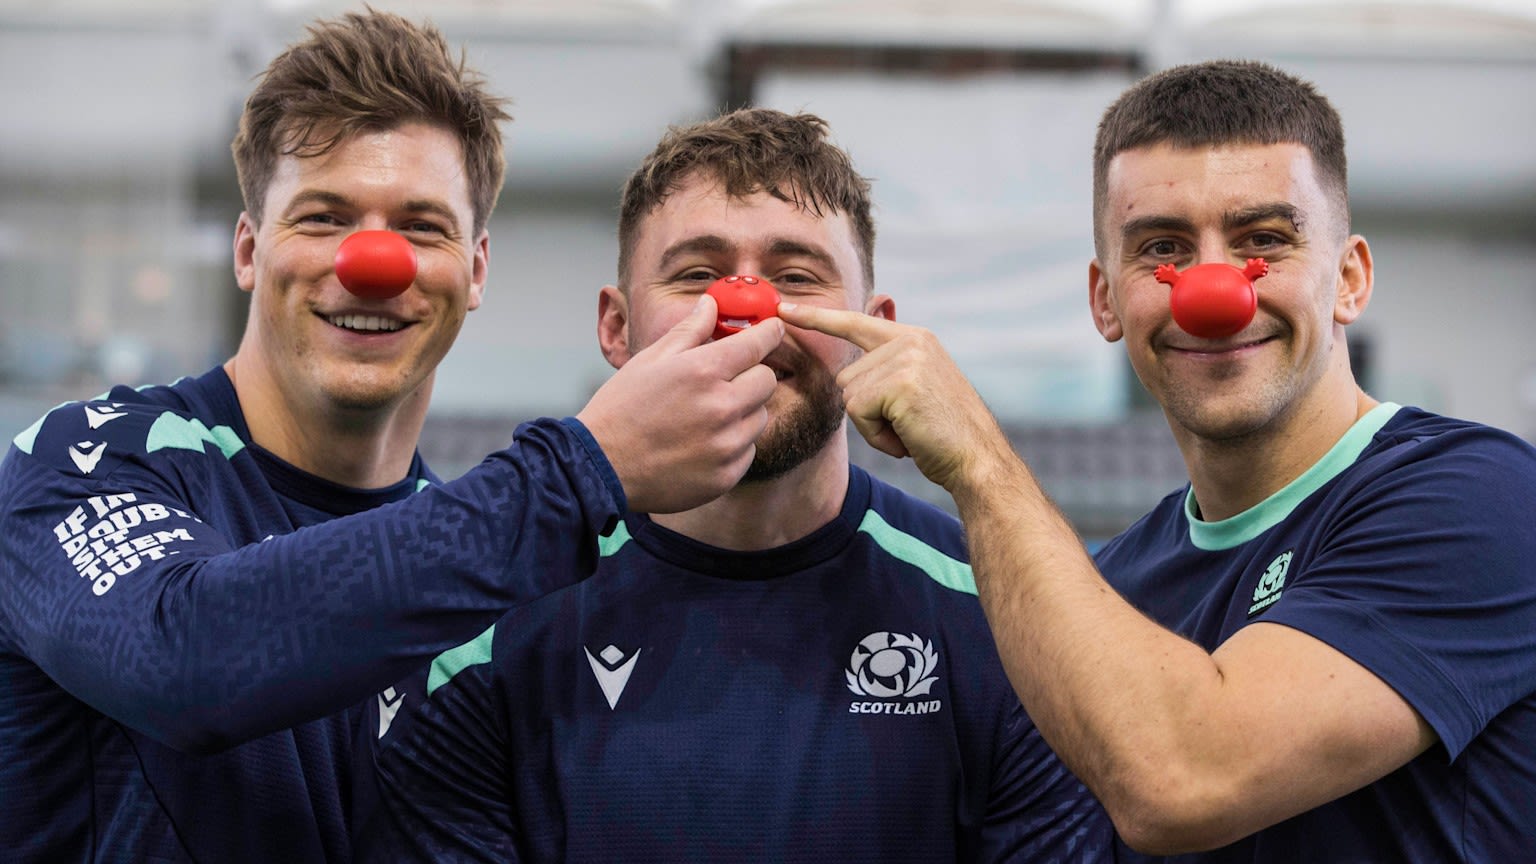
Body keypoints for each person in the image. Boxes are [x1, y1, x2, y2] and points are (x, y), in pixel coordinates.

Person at [0, 10, 784, 863]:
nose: (374, 262)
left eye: (421, 226)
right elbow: (180, 659)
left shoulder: (489, 562)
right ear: (248, 250)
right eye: (323, 217)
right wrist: (581, 469)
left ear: (475, 267)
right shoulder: (88, 459)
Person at [779, 59, 1536, 861]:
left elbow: (1182, 778)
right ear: (1106, 300)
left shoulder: (1478, 497)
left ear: (1348, 279)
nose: (1212, 292)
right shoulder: (1118, 588)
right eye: (1163, 248)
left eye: (1264, 241)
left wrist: (976, 458)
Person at [357, 107, 1112, 863]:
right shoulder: (485, 630)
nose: (745, 313)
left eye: (795, 276)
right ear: (616, 328)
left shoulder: (1005, 623)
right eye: (696, 275)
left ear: (873, 327)